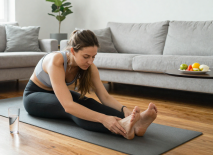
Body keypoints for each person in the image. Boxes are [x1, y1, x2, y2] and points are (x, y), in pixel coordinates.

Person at [23, 29, 158, 140]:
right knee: (74, 110)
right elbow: (68, 106)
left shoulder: (89, 66)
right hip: (34, 96)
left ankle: (137, 124)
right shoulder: (56, 61)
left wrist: (124, 110)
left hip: (55, 93)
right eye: (86, 56)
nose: (90, 61)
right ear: (73, 51)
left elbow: (104, 97)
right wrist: (103, 119)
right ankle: (122, 127)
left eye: (94, 57)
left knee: (89, 103)